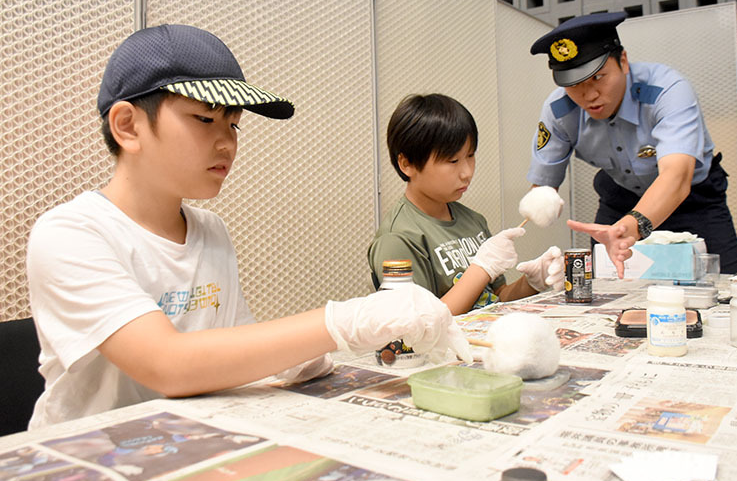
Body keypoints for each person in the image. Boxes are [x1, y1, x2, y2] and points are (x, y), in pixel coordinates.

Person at [26, 24, 470, 429]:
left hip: (192, 438)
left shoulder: (209, 230)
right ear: (128, 126)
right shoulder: (71, 234)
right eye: (205, 119)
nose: (227, 143)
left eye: (234, 124)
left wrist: (294, 360)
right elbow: (168, 364)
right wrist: (344, 321)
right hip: (93, 455)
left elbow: (231, 346)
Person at [526, 12, 737, 276]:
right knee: (607, 292)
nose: (589, 95)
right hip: (621, 200)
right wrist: (538, 210)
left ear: (623, 61)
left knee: (724, 286)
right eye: (574, 84)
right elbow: (543, 189)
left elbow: (677, 177)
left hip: (694, 199)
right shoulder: (559, 110)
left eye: (598, 77)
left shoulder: (667, 90)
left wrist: (630, 228)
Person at [368, 94, 564, 316]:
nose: (467, 172)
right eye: (453, 161)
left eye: (470, 156)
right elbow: (419, 324)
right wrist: (481, 269)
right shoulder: (398, 238)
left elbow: (496, 298)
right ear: (407, 164)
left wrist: (532, 282)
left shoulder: (473, 221)